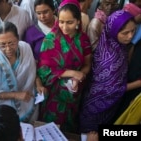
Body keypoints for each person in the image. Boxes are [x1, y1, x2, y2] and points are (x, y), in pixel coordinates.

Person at [79, 10, 136, 141]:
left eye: (133, 31)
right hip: (95, 111)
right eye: (125, 33)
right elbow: (113, 89)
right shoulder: (112, 58)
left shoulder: (112, 44)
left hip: (106, 108)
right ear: (114, 31)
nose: (130, 36)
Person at [37, 0, 92, 133]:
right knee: (50, 128)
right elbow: (44, 70)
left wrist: (79, 77)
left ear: (78, 21)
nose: (65, 27)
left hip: (73, 91)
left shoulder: (84, 40)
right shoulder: (50, 39)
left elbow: (87, 65)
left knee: (68, 127)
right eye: (61, 22)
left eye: (69, 22)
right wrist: (72, 73)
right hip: (53, 94)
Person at [0, 21, 45, 123]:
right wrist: (16, 95)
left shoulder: (26, 48)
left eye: (11, 43)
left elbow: (32, 72)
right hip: (7, 109)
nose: (8, 49)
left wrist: (39, 85)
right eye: (3, 45)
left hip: (29, 101)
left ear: (18, 38)